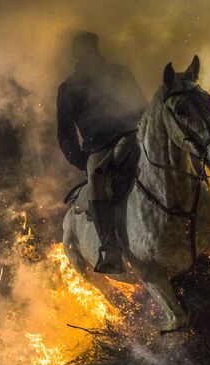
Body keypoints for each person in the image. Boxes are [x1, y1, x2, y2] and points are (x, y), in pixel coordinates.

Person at [56, 32, 147, 274]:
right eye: (85, 50)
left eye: (92, 48)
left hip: (134, 136)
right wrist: (81, 160)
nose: (91, 54)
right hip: (100, 147)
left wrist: (144, 131)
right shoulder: (68, 89)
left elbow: (142, 107)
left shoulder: (120, 73)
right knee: (97, 177)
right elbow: (65, 133)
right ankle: (110, 248)